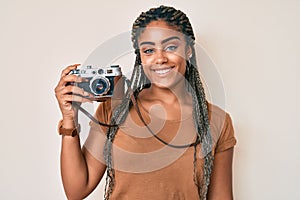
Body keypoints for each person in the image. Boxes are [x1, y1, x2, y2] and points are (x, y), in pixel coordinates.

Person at [54, 5, 237, 200]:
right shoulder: (115, 109)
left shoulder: (216, 121)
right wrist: (69, 120)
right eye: (149, 50)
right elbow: (76, 190)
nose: (159, 58)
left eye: (171, 47)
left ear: (189, 50)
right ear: (140, 57)